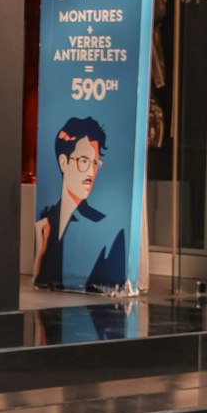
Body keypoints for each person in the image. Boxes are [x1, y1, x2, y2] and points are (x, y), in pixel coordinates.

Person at [33, 116, 126, 291]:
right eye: (84, 161)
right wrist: (39, 256)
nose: (91, 172)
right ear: (63, 162)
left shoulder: (107, 229)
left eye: (95, 163)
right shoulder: (45, 220)